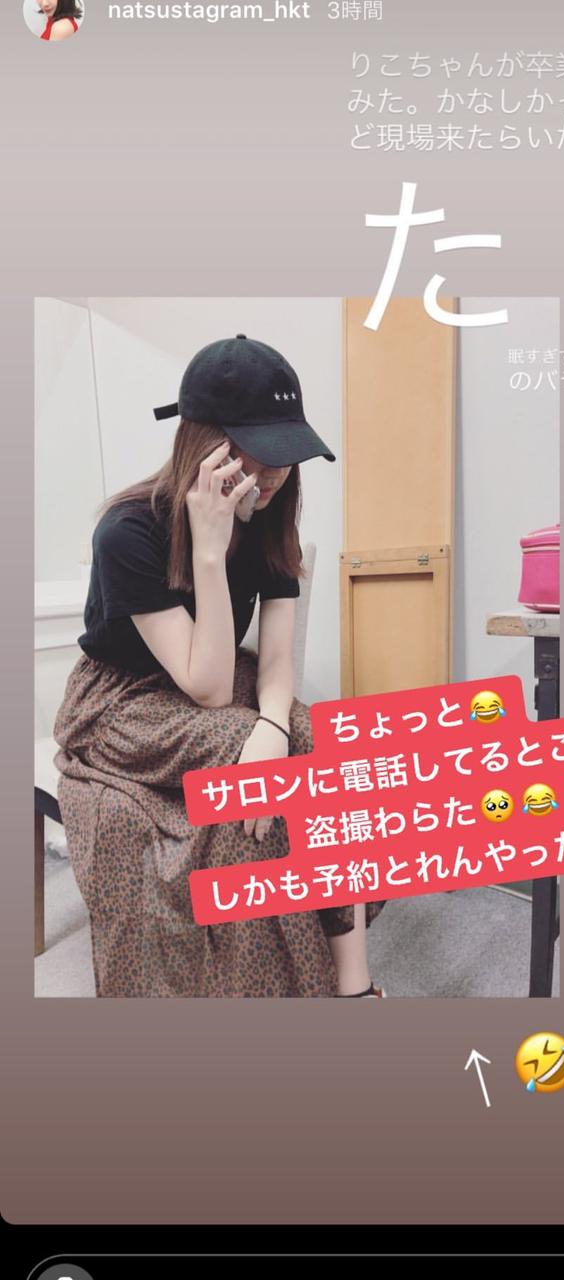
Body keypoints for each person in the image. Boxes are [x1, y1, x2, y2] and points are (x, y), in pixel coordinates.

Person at [52, 334, 388, 998]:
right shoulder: (127, 532)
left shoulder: (270, 517)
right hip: (123, 703)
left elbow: (276, 657)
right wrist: (209, 548)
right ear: (205, 445)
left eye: (286, 454)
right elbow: (204, 688)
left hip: (215, 672)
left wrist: (276, 724)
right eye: (258, 452)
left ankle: (354, 985)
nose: (274, 473)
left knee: (326, 747)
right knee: (245, 757)